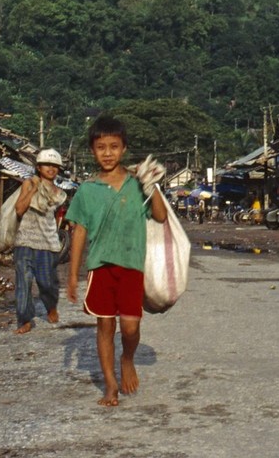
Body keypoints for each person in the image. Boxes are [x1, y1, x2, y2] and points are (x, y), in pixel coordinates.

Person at [65, 114, 168, 407]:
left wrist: (152, 186)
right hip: (100, 267)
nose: (107, 153)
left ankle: (127, 358)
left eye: (114, 146)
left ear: (124, 149)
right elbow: (79, 232)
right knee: (105, 326)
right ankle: (109, 384)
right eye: (101, 147)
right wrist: (73, 274)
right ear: (92, 150)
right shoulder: (87, 190)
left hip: (132, 266)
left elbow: (160, 216)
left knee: (131, 328)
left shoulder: (137, 184)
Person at [12, 147, 68, 334]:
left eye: (54, 165)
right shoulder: (28, 184)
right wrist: (34, 188)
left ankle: (51, 306)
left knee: (46, 282)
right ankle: (24, 319)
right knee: (24, 283)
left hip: (48, 243)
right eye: (46, 165)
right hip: (25, 241)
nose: (51, 168)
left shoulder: (60, 193)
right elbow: (19, 210)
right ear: (38, 167)